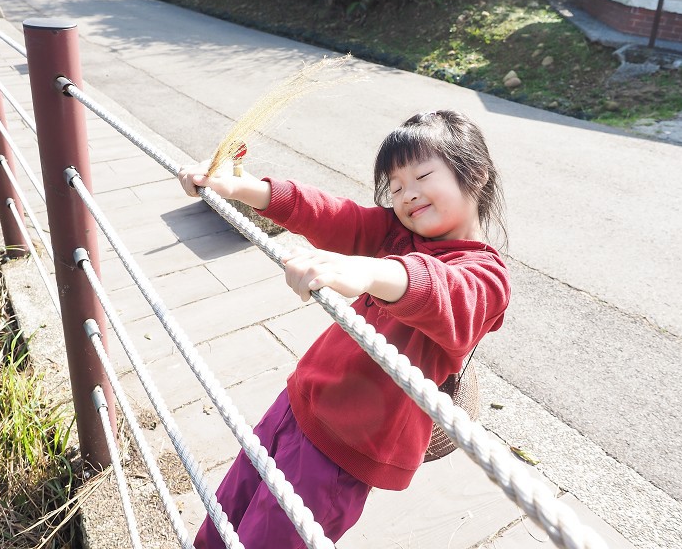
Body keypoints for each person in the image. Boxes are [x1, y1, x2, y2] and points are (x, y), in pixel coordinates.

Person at [178, 109, 511, 549]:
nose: (407, 195)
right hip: (298, 401)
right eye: (395, 187)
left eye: (423, 175)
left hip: (342, 450)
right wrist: (237, 187)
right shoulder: (395, 231)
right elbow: (331, 214)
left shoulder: (486, 275)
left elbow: (446, 291)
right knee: (227, 509)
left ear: (477, 173)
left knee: (272, 538)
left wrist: (372, 272)